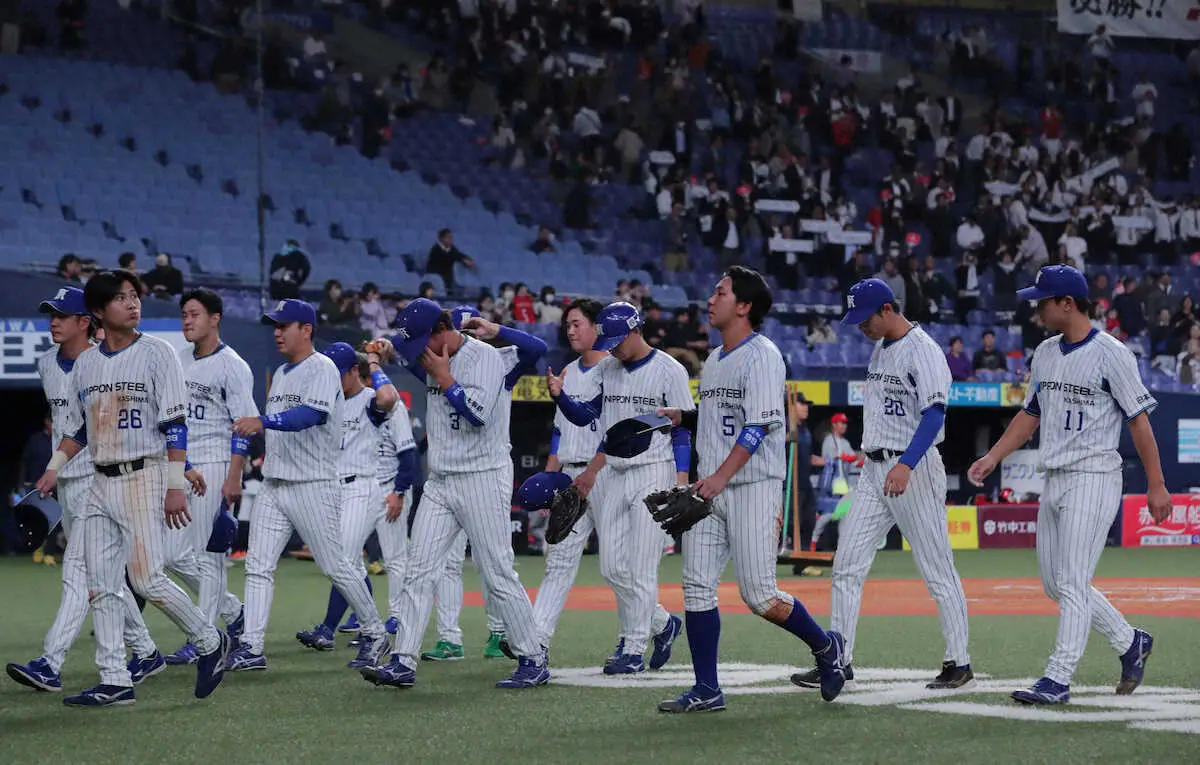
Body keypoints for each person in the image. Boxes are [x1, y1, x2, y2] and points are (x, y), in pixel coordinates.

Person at [968, 265, 1169, 705]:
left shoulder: (1112, 353)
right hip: (1055, 476)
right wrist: (993, 456)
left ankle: (1057, 678)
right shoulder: (1045, 352)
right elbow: (1030, 415)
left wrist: (1156, 484)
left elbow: (1139, 422)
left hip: (1094, 475)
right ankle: (1130, 642)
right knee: (1054, 584)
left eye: (1043, 301)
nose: (1037, 309)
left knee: (1074, 581)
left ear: (1067, 303)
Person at [33, 272, 231, 706]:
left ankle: (209, 640)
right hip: (99, 480)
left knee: (146, 579)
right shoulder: (86, 364)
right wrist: (53, 468)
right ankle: (115, 678)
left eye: (134, 296)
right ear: (98, 312)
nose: (132, 303)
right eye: (120, 298)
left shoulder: (158, 353)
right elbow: (79, 429)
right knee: (101, 583)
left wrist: (175, 485)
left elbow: (175, 423)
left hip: (145, 475)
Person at [656, 267, 847, 713]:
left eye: (720, 292)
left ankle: (826, 647)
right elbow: (724, 419)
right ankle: (707, 689)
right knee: (696, 586)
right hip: (711, 487)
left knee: (760, 595)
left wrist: (720, 477)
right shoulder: (715, 358)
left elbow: (757, 427)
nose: (711, 299)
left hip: (752, 486)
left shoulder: (763, 356)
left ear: (744, 306)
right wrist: (686, 418)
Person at [792, 278, 974, 692]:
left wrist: (906, 464)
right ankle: (838, 660)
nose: (861, 327)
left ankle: (959, 662)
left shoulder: (923, 350)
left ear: (888, 309)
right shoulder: (881, 347)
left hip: (913, 468)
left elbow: (934, 415)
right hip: (875, 470)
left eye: (865, 318)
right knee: (846, 565)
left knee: (937, 568)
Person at [361, 298, 549, 689]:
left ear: (442, 330)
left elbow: (477, 415)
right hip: (442, 481)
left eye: (423, 343)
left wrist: (446, 378)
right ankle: (403, 661)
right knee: (418, 570)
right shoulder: (429, 352)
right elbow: (406, 354)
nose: (421, 353)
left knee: (497, 572)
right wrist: (387, 349)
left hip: (482, 476)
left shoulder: (485, 358)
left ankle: (532, 657)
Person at [7, 287, 164, 697]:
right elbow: (66, 423)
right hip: (65, 482)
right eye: (51, 314)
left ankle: (51, 662)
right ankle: (146, 651)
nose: (53, 322)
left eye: (62, 315)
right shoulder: (46, 363)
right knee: (104, 576)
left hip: (99, 479)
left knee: (79, 573)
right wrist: (52, 471)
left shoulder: (104, 364)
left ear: (84, 322)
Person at [225, 299, 389, 672]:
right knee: (258, 566)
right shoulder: (283, 372)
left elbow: (310, 416)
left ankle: (375, 632)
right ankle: (251, 646)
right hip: (275, 485)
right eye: (275, 326)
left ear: (307, 329)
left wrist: (263, 421)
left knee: (336, 567)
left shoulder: (323, 368)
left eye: (285, 325)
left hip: (312, 484)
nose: (277, 332)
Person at [549, 301, 691, 673]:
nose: (612, 349)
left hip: (653, 471)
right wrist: (561, 396)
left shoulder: (669, 369)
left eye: (617, 341)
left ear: (635, 330)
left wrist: (681, 481)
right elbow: (587, 416)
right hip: (614, 472)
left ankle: (633, 647)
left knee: (641, 566)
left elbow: (682, 431)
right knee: (612, 567)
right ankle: (664, 625)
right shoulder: (607, 367)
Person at [415, 306, 546, 662]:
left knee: (493, 563)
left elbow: (537, 349)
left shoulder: (496, 361)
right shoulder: (434, 361)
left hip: (486, 468)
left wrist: (496, 329)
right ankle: (445, 639)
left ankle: (501, 631)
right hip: (447, 472)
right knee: (445, 562)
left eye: (469, 328)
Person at [161, 288, 256, 666]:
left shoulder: (233, 365)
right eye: (184, 314)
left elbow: (243, 426)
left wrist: (234, 477)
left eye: (194, 314)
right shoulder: (178, 359)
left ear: (215, 318)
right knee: (170, 556)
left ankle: (205, 636)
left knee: (208, 558)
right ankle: (233, 613)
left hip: (216, 464)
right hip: (184, 464)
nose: (187, 321)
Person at [293, 341, 400, 655]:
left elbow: (388, 399)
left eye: (339, 373)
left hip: (361, 486)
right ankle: (367, 626)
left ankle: (332, 630)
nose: (334, 380)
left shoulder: (369, 399)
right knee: (349, 565)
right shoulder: (328, 400)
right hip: (331, 487)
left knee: (342, 561)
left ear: (355, 370)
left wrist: (374, 361)